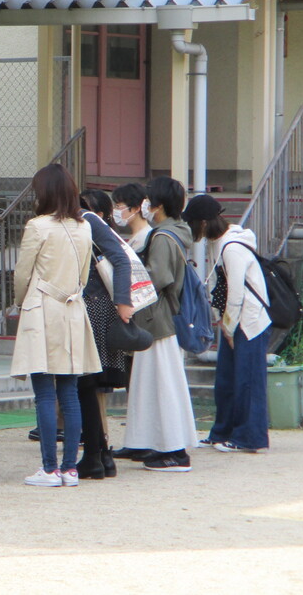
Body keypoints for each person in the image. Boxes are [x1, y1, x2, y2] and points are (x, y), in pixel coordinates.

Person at [12, 164, 100, 487]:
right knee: (70, 391)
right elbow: (86, 274)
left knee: (45, 392)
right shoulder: (84, 227)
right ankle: (70, 468)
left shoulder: (37, 226)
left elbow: (22, 274)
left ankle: (49, 468)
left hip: (43, 307)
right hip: (73, 307)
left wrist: (22, 300)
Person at [120, 176, 198, 471]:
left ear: (159, 205)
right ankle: (165, 446)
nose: (146, 206)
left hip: (157, 318)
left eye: (149, 201)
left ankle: (174, 451)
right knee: (162, 383)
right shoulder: (175, 232)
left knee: (162, 385)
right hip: (162, 318)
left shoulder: (163, 237)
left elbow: (157, 277)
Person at [184, 194, 272, 453]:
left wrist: (228, 327)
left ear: (201, 223)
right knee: (226, 380)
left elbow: (234, 293)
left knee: (248, 380)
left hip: (250, 322)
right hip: (234, 321)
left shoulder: (231, 247)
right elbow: (217, 285)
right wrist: (221, 321)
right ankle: (222, 431)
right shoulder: (220, 242)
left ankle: (249, 437)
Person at [76, 189, 133, 479]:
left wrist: (124, 301)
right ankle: (100, 454)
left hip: (94, 307)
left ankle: (96, 456)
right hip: (94, 307)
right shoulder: (77, 220)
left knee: (88, 384)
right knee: (89, 385)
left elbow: (121, 259)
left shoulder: (85, 220)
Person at [111, 183, 152, 253]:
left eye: (118, 206)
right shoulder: (135, 236)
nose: (114, 210)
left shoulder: (145, 238)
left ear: (136, 209)